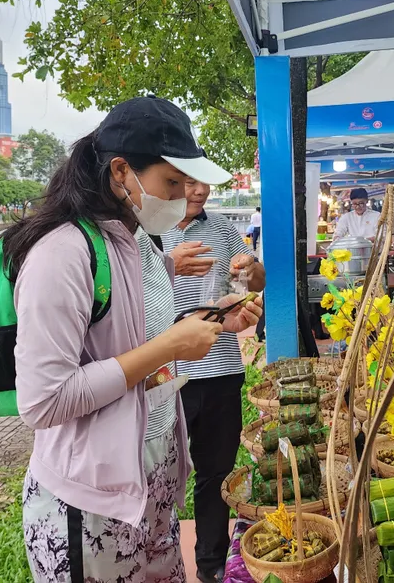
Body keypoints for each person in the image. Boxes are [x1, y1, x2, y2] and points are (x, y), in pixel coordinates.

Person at [9, 96, 262, 583]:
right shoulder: (62, 253)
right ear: (122, 171)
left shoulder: (138, 241)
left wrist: (211, 319)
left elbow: (136, 340)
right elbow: (43, 401)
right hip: (92, 501)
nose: (183, 196)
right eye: (172, 182)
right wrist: (171, 347)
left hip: (153, 480)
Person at [162, 180, 267, 583]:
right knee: (160, 473)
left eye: (205, 184)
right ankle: (160, 558)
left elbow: (251, 283)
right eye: (189, 182)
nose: (200, 191)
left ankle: (210, 563)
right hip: (164, 375)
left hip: (221, 370)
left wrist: (251, 272)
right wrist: (168, 263)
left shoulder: (223, 229)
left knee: (216, 473)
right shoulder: (146, 232)